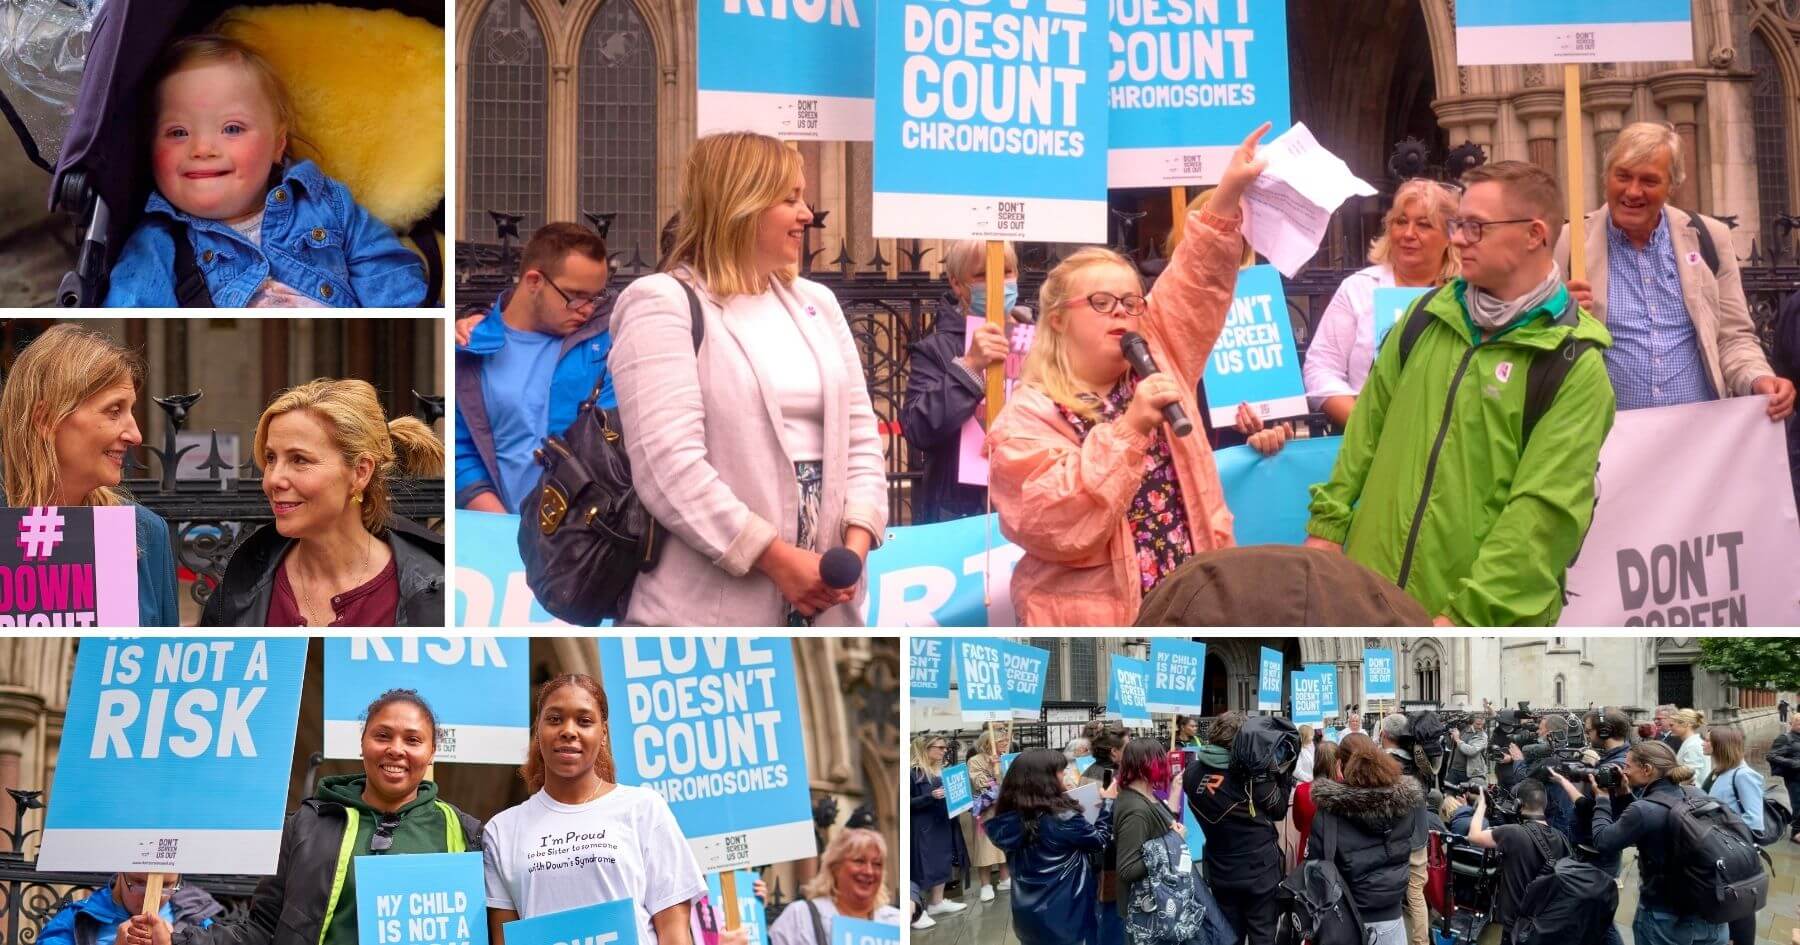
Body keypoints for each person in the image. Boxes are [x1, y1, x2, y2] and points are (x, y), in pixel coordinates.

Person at [1305, 160, 1616, 627]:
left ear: (1534, 234)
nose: (1457, 239)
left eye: (1475, 227)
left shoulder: (1574, 365)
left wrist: (1462, 619)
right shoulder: (1424, 317)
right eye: (1457, 224)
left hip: (1473, 626)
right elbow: (1366, 432)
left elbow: (1541, 518)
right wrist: (1326, 531)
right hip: (1369, 601)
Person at [986, 124, 1271, 626]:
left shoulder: (1157, 359)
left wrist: (1227, 192)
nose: (1121, 312)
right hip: (1100, 628)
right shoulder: (1027, 416)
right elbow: (1054, 524)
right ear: (1057, 319)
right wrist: (1129, 430)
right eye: (1100, 302)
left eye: (1130, 301)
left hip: (1195, 605)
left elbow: (1196, 282)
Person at [607, 131, 885, 626]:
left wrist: (854, 550)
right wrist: (776, 558)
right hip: (706, 615)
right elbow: (669, 468)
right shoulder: (661, 302)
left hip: (828, 608)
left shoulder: (816, 302)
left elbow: (863, 434)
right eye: (790, 199)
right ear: (742, 202)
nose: (807, 214)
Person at [120, 691, 482, 945]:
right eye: (382, 735)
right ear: (362, 742)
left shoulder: (465, 833)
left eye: (413, 740)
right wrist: (176, 941)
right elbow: (260, 929)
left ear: (432, 751)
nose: (396, 749)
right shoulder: (305, 825)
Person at [104, 35, 424, 307]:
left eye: (232, 128)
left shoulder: (326, 203)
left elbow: (390, 278)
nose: (202, 148)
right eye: (178, 132)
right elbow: (132, 306)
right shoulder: (159, 243)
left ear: (277, 144)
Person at [1560, 122, 1796, 423]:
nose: (1633, 191)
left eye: (1649, 180)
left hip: (1695, 441)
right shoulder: (1569, 244)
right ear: (1606, 177)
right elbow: (1539, 344)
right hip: (1608, 441)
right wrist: (1559, 314)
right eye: (1623, 176)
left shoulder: (1709, 237)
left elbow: (1733, 337)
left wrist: (1758, 377)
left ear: (1672, 186)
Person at [484, 674, 706, 945]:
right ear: (538, 730)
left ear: (603, 733)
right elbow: (504, 937)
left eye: (584, 721)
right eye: (554, 719)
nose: (568, 730)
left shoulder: (644, 808)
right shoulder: (502, 830)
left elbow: (673, 930)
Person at [201, 379, 444, 626]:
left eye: (299, 460)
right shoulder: (241, 584)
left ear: (360, 472)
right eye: (271, 458)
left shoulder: (434, 595)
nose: (273, 479)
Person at [0, 324, 177, 626]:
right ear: (46, 420)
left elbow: (159, 664)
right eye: (113, 411)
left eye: (131, 410)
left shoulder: (146, 531)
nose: (135, 435)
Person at [455, 222, 614, 514]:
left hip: (587, 543)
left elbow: (614, 445)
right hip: (496, 542)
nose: (588, 309)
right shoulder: (470, 349)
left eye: (595, 297)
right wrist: (499, 528)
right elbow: (461, 452)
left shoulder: (609, 344)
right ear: (533, 282)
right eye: (576, 296)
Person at [1304, 178, 1462, 427]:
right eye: (1401, 222)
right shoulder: (1359, 289)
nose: (1409, 234)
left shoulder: (1465, 295)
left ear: (1449, 236)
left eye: (1423, 225)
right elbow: (1321, 370)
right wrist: (1366, 428)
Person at [901, 240, 1019, 524]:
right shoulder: (935, 350)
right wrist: (970, 367)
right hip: (962, 512)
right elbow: (917, 428)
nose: (998, 283)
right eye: (982, 275)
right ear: (957, 284)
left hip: (1029, 504)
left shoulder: (1038, 340)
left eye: (1006, 271)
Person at [1565, 740, 1725, 945]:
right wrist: (1624, 795)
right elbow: (1644, 823)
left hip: (1665, 917)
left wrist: (1602, 800)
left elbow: (1604, 841)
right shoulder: (1696, 794)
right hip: (1710, 914)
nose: (1624, 772)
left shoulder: (1644, 809)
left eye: (1628, 766)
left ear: (1647, 769)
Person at [985, 748, 1117, 945]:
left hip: (1028, 916)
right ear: (1045, 777)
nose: (1064, 773)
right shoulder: (1061, 816)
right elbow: (1099, 841)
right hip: (1068, 914)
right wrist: (1108, 802)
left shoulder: (1008, 817)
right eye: (1060, 770)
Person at [1183, 710, 1291, 945]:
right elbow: (1279, 808)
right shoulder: (1250, 774)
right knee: (1263, 934)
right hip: (1258, 870)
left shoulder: (1192, 772)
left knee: (1228, 934)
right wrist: (1283, 773)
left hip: (1221, 868)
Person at [1306, 733, 1424, 945]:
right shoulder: (1404, 806)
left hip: (1346, 920)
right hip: (1392, 918)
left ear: (1340, 765)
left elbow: (1314, 869)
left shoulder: (1329, 812)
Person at [1466, 779, 1570, 943]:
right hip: (1544, 926)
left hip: (1514, 925)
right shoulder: (1562, 839)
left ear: (1518, 803)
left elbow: (1473, 836)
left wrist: (1482, 804)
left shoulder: (1513, 833)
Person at [766, 829, 901, 945]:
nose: (869, 871)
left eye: (877, 864)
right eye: (859, 861)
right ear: (835, 867)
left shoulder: (896, 922)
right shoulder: (801, 916)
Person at [1109, 738, 1185, 944]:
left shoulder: (1146, 794)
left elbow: (1160, 826)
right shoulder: (1136, 809)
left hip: (1158, 906)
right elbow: (1127, 869)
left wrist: (1176, 790)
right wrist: (1173, 842)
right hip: (1147, 913)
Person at [1701, 728, 1764, 945]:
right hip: (1720, 851)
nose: (1703, 744)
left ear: (1720, 746)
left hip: (1736, 854)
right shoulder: (1719, 771)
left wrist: (1717, 826)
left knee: (1741, 906)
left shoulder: (1743, 775)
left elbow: (1755, 821)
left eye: (1707, 740)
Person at [1372, 719, 1429, 945]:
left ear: (1384, 733)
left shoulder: (1382, 764)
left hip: (1394, 837)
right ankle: (1420, 941)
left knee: (1393, 892)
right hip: (1418, 833)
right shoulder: (1418, 761)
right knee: (1416, 892)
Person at [41, 873, 220, 945]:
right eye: (139, 883)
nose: (152, 896)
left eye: (166, 885)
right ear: (120, 873)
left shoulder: (197, 918)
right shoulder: (74, 920)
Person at [910, 736, 968, 930]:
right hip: (923, 826)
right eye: (940, 747)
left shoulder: (944, 771)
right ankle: (918, 908)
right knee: (923, 866)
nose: (945, 751)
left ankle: (937, 902)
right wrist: (929, 796)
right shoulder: (913, 772)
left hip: (944, 822)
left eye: (945, 748)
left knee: (942, 861)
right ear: (925, 749)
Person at [966, 728, 1012, 902]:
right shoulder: (975, 760)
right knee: (985, 847)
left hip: (1004, 807)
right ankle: (985, 885)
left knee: (1004, 844)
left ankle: (1005, 878)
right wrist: (992, 767)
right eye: (1002, 742)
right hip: (985, 810)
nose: (1005, 745)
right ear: (989, 743)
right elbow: (980, 784)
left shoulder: (1005, 758)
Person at [1292, 739, 1339, 867]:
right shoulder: (1347, 790)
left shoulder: (1302, 791)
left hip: (1309, 854)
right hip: (1338, 855)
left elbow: (1298, 824)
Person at [1768, 713, 1800, 843]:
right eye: (1798, 722)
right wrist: (1794, 763)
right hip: (1794, 777)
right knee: (1798, 803)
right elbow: (1771, 756)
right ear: (1791, 724)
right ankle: (1796, 832)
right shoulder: (1785, 738)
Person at [1670, 709, 1710, 786]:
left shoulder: (1692, 746)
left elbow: (1691, 777)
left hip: (1693, 795)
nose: (1670, 728)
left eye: (1672, 725)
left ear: (1686, 724)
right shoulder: (1691, 743)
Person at [1448, 716, 1488, 786]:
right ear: (1471, 723)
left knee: (1467, 795)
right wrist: (1452, 738)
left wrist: (1457, 739)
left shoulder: (1482, 736)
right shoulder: (1463, 730)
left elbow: (1471, 751)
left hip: (1470, 773)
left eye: (1482, 724)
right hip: (1454, 770)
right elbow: (1451, 747)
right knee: (1449, 794)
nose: (1480, 727)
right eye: (1478, 724)